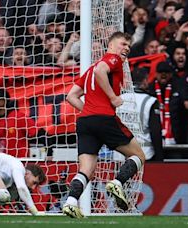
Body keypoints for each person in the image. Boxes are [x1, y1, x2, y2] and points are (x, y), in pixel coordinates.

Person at [63, 32, 145, 218]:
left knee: (87, 170)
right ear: (111, 44)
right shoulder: (112, 60)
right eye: (123, 44)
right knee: (138, 155)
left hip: (85, 121)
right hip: (105, 117)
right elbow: (102, 70)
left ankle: (70, 202)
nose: (126, 49)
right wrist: (112, 97)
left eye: (129, 47)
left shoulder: (89, 69)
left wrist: (89, 111)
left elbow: (71, 96)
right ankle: (117, 182)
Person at [119, 68, 163, 161]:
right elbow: (155, 132)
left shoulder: (118, 99)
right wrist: (160, 158)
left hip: (120, 154)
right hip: (144, 153)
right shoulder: (150, 101)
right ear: (145, 80)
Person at [0, 88, 38, 158]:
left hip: (20, 161)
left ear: (2, 102)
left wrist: (48, 152)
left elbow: (38, 133)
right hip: (0, 163)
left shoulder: (18, 117)